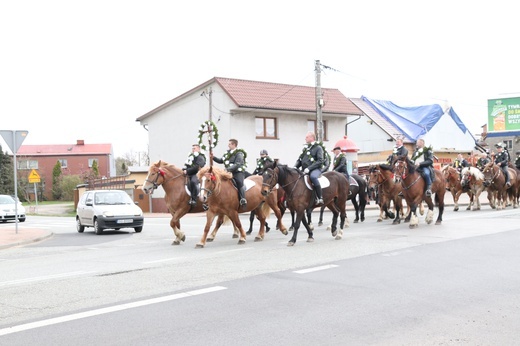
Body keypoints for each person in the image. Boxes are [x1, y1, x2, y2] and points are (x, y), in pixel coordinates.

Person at [211, 139, 248, 207]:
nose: (228, 145)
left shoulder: (239, 153)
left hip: (237, 172)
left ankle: (243, 199)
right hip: (228, 172)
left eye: (229, 144)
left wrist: (227, 169)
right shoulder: (227, 153)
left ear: (234, 145)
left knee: (239, 182)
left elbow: (237, 164)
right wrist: (213, 157)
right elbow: (221, 160)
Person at [294, 131, 325, 205]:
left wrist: (309, 168)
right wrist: (295, 166)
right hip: (304, 170)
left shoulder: (318, 148)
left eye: (307, 137)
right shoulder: (305, 149)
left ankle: (320, 197)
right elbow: (300, 159)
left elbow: (320, 160)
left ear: (312, 138)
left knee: (313, 177)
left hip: (315, 169)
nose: (305, 138)